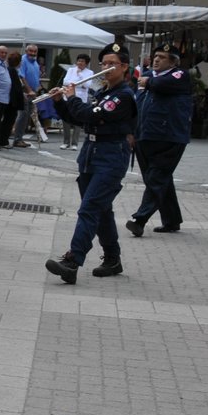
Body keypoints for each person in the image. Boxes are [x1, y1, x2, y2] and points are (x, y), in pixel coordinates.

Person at [45, 44, 135, 283]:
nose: (105, 68)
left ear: (124, 67)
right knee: (101, 209)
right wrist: (60, 102)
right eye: (103, 63)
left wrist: (72, 97)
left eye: (111, 63)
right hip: (91, 153)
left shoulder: (123, 95)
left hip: (111, 155)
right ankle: (113, 259)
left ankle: (73, 260)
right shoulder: (104, 92)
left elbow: (91, 115)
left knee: (89, 208)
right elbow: (79, 118)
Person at [126, 45, 191, 236]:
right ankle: (171, 220)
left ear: (172, 61)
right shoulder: (148, 76)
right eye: (155, 56)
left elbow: (160, 85)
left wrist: (147, 81)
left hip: (169, 137)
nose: (156, 60)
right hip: (145, 135)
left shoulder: (179, 75)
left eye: (162, 57)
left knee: (157, 178)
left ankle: (140, 219)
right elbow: (137, 103)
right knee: (158, 180)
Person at [61, 54, 95, 148]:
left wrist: (79, 75)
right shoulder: (71, 70)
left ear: (86, 63)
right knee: (66, 119)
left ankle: (75, 143)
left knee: (78, 120)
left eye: (82, 61)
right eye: (78, 60)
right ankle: (66, 142)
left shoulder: (89, 72)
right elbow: (65, 82)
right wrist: (77, 83)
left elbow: (87, 85)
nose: (79, 63)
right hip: (68, 96)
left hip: (81, 98)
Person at [12, 44, 43, 145]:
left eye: (35, 52)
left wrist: (37, 90)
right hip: (25, 92)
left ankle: (20, 138)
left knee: (27, 116)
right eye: (30, 51)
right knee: (23, 115)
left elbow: (36, 78)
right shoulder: (23, 60)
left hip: (33, 93)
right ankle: (17, 139)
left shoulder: (35, 63)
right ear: (26, 51)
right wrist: (29, 90)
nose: (33, 53)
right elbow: (22, 77)